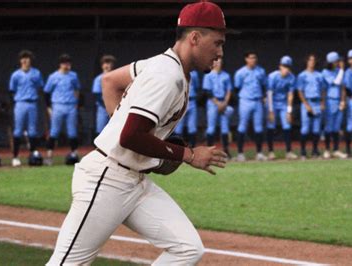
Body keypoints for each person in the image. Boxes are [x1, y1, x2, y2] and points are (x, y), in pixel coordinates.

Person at [46, 1, 228, 265]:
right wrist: (188, 155)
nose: (220, 52)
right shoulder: (167, 75)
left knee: (187, 248)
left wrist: (119, 122)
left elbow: (110, 82)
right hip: (108, 178)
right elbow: (130, 137)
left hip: (136, 182)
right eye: (218, 42)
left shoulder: (163, 65)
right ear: (195, 38)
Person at [43, 53, 82, 165]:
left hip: (70, 106)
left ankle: (74, 154)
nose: (67, 65)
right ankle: (49, 156)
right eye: (65, 63)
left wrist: (76, 103)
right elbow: (46, 92)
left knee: (72, 132)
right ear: (60, 64)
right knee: (54, 132)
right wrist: (48, 108)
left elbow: (77, 90)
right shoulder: (53, 77)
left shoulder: (73, 76)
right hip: (58, 106)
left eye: (69, 63)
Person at [9, 50, 45, 167]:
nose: (25, 60)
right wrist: (14, 104)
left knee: (32, 130)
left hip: (32, 103)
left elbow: (40, 88)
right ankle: (15, 156)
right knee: (18, 130)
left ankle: (33, 155)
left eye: (27, 58)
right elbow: (11, 91)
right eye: (23, 58)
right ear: (20, 61)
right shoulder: (16, 75)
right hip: (20, 103)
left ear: (30, 60)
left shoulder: (36, 73)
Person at [234, 51, 267, 161]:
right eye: (251, 58)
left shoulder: (261, 71)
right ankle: (240, 153)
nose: (253, 60)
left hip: (257, 101)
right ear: (246, 59)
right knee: (242, 126)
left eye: (255, 57)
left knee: (259, 128)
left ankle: (259, 153)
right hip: (245, 100)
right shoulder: (240, 72)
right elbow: (237, 88)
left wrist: (263, 97)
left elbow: (263, 86)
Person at [265, 55, 298, 160]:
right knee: (271, 126)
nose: (286, 69)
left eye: (288, 66)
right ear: (280, 66)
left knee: (287, 126)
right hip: (272, 103)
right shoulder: (272, 76)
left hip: (283, 103)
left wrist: (289, 111)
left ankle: (288, 151)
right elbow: (269, 93)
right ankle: (270, 152)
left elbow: (290, 95)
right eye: (284, 66)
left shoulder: (292, 77)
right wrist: (270, 111)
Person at [297, 54, 326, 158]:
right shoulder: (302, 75)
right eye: (310, 60)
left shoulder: (319, 75)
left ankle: (315, 151)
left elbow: (323, 89)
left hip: (317, 102)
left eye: (313, 60)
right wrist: (306, 104)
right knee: (305, 129)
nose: (312, 62)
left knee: (316, 129)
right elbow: (300, 91)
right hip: (307, 102)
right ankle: (303, 151)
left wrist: (322, 103)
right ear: (306, 62)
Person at [203, 58, 234, 158]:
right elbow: (208, 92)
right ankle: (209, 152)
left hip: (223, 102)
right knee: (211, 128)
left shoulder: (226, 75)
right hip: (213, 103)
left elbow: (229, 90)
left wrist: (224, 103)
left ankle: (226, 151)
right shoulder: (208, 75)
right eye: (217, 62)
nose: (219, 64)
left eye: (220, 62)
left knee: (225, 128)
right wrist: (218, 104)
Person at [322, 52, 347, 159]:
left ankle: (336, 149)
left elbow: (343, 87)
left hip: (338, 101)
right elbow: (336, 82)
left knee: (337, 127)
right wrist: (342, 69)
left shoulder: (339, 71)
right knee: (329, 127)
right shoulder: (325, 72)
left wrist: (343, 101)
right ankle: (327, 150)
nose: (338, 63)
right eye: (337, 61)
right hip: (329, 101)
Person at [173, 70, 200, 147]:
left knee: (192, 126)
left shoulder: (194, 74)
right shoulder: (176, 72)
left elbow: (197, 86)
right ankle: (178, 149)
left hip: (192, 100)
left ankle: (193, 148)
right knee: (178, 127)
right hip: (180, 101)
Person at [92, 55, 116, 137]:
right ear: (102, 65)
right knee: (101, 130)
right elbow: (97, 94)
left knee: (115, 130)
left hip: (116, 108)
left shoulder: (116, 76)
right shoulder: (98, 79)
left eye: (109, 63)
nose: (107, 65)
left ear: (112, 65)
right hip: (103, 107)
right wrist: (107, 105)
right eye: (105, 63)